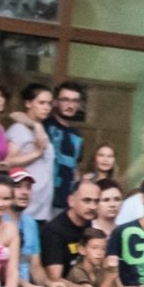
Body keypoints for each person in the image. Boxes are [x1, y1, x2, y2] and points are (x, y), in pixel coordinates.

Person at [5, 84, 56, 222]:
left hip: (43, 209)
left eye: (49, 103)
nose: (46, 107)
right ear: (28, 103)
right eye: (41, 103)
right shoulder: (18, 129)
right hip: (25, 207)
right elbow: (8, 161)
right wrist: (37, 153)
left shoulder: (42, 131)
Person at [45, 82, 87, 212]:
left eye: (75, 101)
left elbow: (75, 168)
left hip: (66, 203)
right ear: (56, 102)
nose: (70, 105)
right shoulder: (44, 126)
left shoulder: (77, 136)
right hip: (42, 198)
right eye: (65, 100)